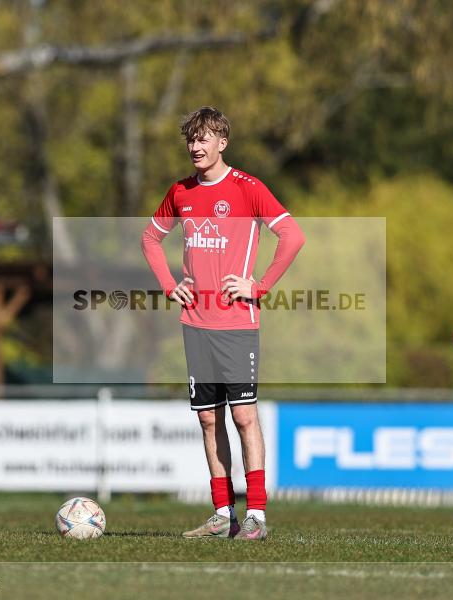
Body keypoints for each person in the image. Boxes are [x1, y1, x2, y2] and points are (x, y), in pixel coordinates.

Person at [141, 107, 305, 540]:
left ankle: (257, 516)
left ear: (222, 143)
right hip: (195, 322)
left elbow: (293, 236)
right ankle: (222, 515)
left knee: (245, 417)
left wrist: (261, 286)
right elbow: (150, 238)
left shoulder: (248, 188)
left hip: (237, 323)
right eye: (191, 140)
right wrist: (168, 285)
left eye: (204, 138)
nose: (195, 147)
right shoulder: (180, 191)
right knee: (208, 421)